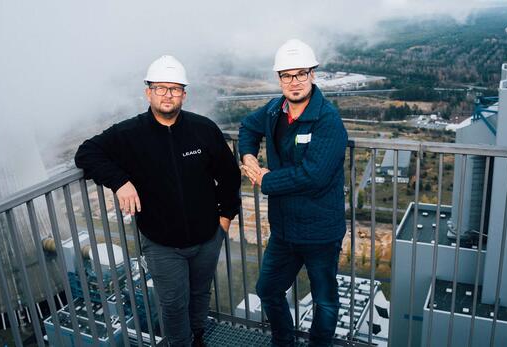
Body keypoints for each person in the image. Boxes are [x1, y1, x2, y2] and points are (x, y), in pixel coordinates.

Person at [75, 55, 241, 347]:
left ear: (184, 94)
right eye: (161, 88)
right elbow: (87, 153)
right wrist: (120, 182)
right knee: (174, 304)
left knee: (201, 293)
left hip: (207, 237)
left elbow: (229, 176)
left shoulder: (203, 129)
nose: (168, 94)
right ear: (148, 92)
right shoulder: (129, 133)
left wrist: (224, 220)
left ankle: (198, 336)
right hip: (162, 244)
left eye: (175, 89)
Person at [238, 39, 348, 346]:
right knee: (268, 290)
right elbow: (247, 128)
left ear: (313, 75)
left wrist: (265, 179)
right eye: (287, 75)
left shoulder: (328, 120)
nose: (294, 81)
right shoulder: (275, 110)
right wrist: (248, 158)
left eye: (301, 74)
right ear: (279, 79)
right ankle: (284, 341)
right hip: (284, 230)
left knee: (324, 300)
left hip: (320, 232)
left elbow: (314, 175)